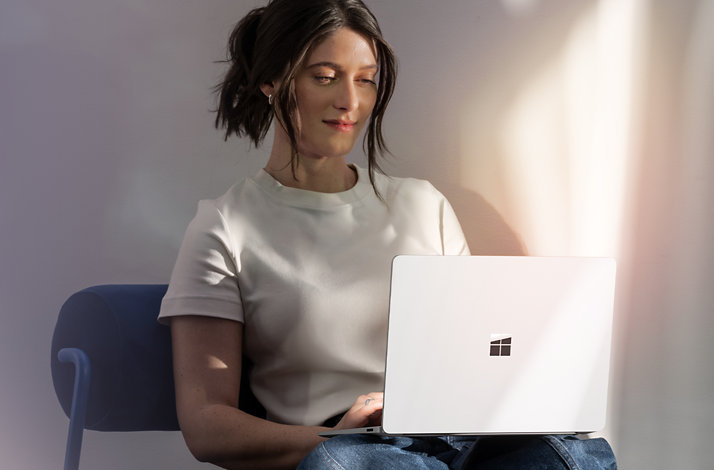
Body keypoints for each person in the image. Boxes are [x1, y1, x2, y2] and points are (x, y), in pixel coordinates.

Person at [158, 1, 617, 469]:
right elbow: (206, 424)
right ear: (272, 81)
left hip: (453, 441)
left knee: (571, 455)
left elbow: (471, 357)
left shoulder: (423, 205)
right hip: (346, 450)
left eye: (365, 79)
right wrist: (327, 438)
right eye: (325, 76)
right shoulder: (224, 227)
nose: (350, 102)